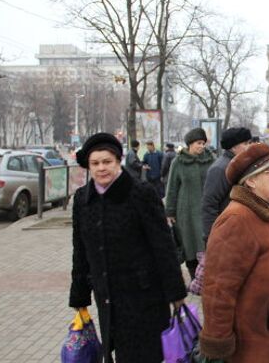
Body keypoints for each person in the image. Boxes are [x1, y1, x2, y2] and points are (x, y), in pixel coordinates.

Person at [69, 133, 186, 363]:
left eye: (107, 162)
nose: (101, 168)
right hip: (107, 298)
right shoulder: (83, 199)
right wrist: (79, 295)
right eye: (95, 163)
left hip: (144, 297)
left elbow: (163, 246)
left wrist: (176, 293)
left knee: (143, 356)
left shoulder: (140, 193)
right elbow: (80, 250)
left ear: (118, 161)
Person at [199, 143, 269, 362]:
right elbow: (218, 290)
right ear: (251, 180)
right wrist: (218, 345)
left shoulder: (265, 214)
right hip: (255, 347)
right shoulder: (237, 220)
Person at [165, 127, 214, 279]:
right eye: (198, 143)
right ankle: (194, 277)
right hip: (185, 211)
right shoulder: (178, 162)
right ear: (190, 144)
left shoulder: (211, 160)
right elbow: (172, 187)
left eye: (203, 143)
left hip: (206, 210)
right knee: (189, 243)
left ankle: (208, 277)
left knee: (206, 242)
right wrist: (170, 211)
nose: (201, 146)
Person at [202, 127, 252, 244]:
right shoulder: (220, 168)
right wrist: (212, 238)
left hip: (237, 231)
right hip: (226, 235)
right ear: (233, 147)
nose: (249, 146)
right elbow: (209, 205)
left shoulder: (239, 165)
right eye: (245, 143)